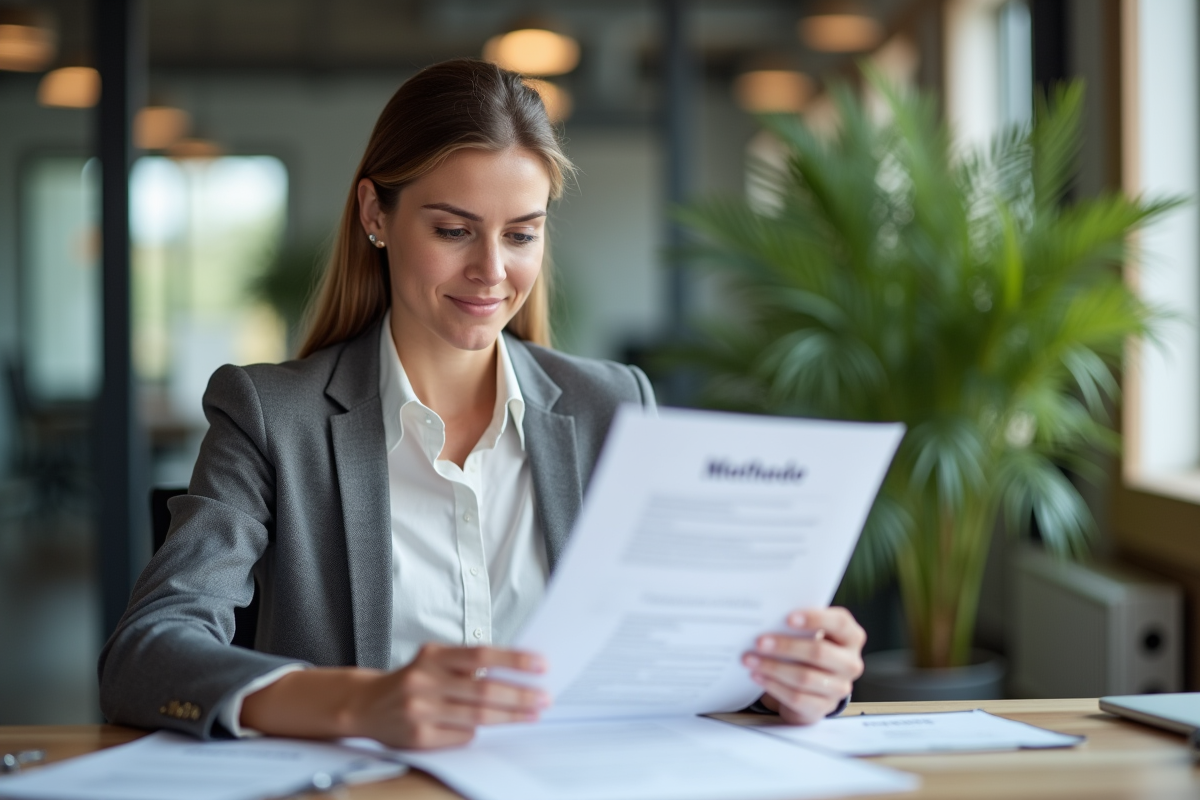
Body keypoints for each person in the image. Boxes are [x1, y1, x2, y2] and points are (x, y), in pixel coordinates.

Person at [98, 58, 866, 750]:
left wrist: (785, 678)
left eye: (521, 235)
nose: (491, 271)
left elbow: (682, 644)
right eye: (453, 230)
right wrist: (359, 704)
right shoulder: (273, 416)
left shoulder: (614, 409)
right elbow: (149, 650)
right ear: (375, 214)